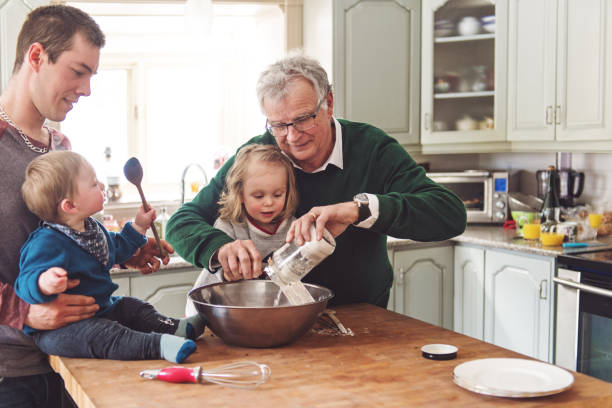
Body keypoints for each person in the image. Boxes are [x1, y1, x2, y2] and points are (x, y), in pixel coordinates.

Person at [166, 51, 467, 308]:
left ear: (329, 103)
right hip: (281, 320)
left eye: (303, 119)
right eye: (279, 125)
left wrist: (357, 210)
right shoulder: (258, 156)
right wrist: (219, 248)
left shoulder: (371, 148)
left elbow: (449, 214)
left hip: (362, 314)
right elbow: (181, 222)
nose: (292, 136)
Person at [0, 5, 172, 407]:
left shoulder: (61, 147)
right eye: (78, 72)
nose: (87, 89)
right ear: (37, 57)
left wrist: (118, 253)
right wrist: (22, 312)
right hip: (10, 374)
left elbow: (63, 241)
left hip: (71, 360)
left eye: (91, 76)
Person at [15, 151, 203, 364]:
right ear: (70, 206)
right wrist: (44, 282)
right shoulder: (46, 242)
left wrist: (139, 227)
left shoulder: (92, 229)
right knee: (107, 335)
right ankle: (158, 345)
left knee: (133, 307)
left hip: (103, 308)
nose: (102, 186)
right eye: (94, 184)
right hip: (63, 329)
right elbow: (24, 282)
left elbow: (118, 247)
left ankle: (177, 328)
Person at [186, 144, 298, 314]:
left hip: (258, 310)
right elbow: (223, 272)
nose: (269, 202)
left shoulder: (293, 227)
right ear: (240, 194)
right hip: (209, 310)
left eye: (277, 195)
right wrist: (232, 271)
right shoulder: (228, 225)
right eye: (259, 196)